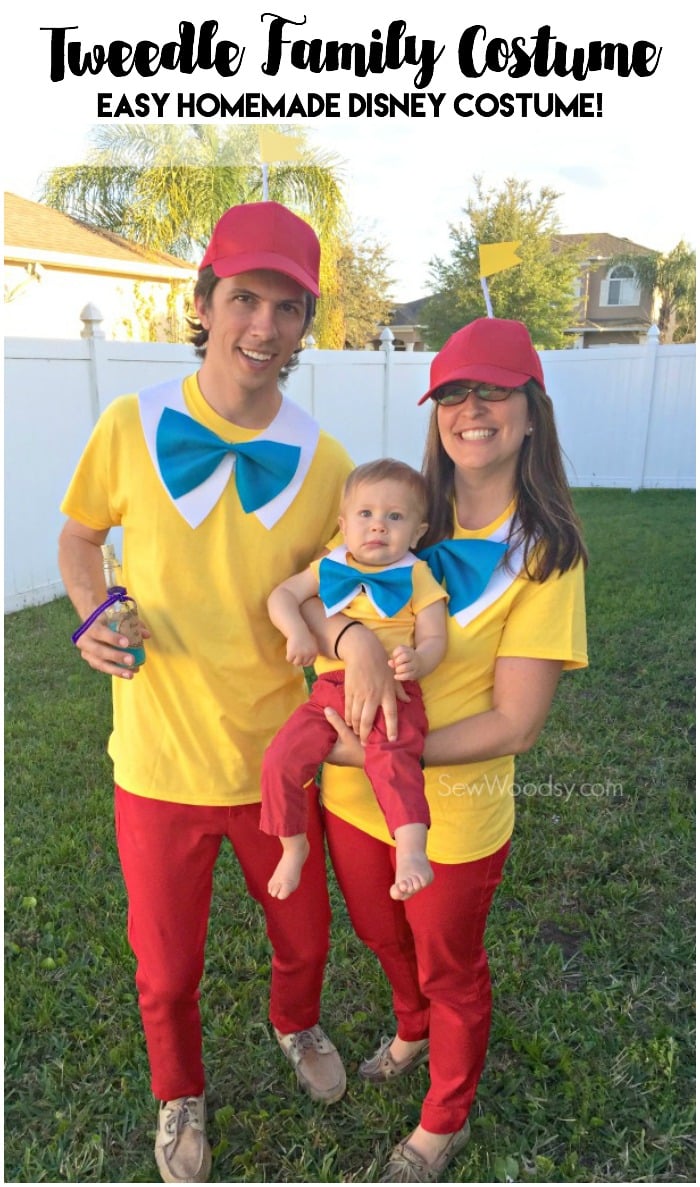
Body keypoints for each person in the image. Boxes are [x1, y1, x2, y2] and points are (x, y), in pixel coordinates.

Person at [58, 201, 353, 1184]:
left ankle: (294, 1021)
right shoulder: (132, 424)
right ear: (203, 301)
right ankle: (178, 1091)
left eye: (286, 306)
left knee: (304, 938)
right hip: (156, 761)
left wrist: (334, 644)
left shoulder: (327, 463)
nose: (262, 325)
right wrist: (94, 610)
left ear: (305, 324)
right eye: (244, 298)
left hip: (278, 761)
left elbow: (339, 596)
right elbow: (77, 533)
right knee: (168, 966)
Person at [315, 317, 589, 1182]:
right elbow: (317, 596)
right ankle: (408, 1023)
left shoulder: (545, 556)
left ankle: (445, 1117)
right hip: (349, 800)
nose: (473, 410)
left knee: (450, 964)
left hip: (451, 817)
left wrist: (381, 756)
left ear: (531, 411)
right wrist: (353, 636)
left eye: (494, 391)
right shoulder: (400, 511)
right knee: (378, 931)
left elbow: (516, 724)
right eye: (454, 394)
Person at [261, 459, 449, 903]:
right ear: (344, 524)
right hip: (329, 695)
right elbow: (282, 596)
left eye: (395, 517)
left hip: (395, 695)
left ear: (418, 532)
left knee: (395, 758)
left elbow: (436, 635)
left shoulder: (416, 574)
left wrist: (419, 659)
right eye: (365, 514)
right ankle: (293, 844)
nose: (378, 526)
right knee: (280, 758)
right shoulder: (330, 564)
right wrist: (297, 631)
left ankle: (411, 851)